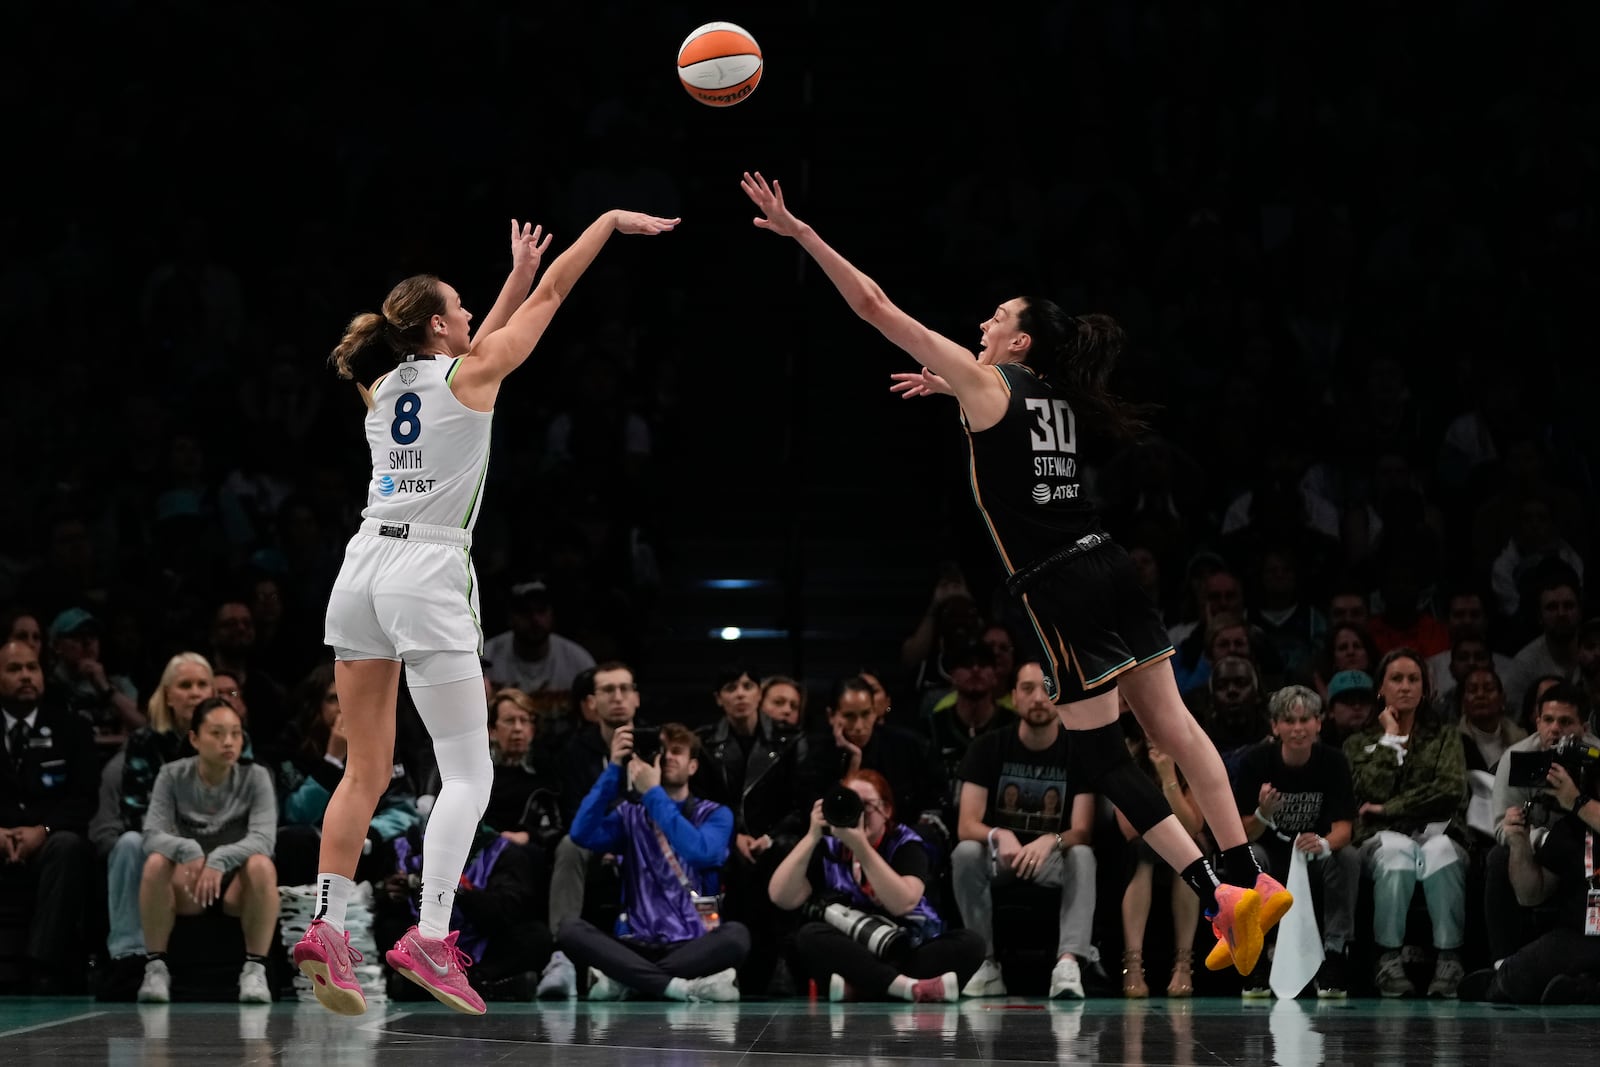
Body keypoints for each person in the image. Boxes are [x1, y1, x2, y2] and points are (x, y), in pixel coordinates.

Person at [741, 171, 1282, 974]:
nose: (985, 322)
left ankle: (1219, 892)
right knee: (1175, 727)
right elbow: (1005, 432)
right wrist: (952, 392)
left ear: (1020, 341)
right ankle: (1245, 875)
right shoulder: (1052, 392)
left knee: (1101, 760)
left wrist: (803, 234)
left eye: (998, 318)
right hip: (1110, 563)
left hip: (1060, 585)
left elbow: (875, 307)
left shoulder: (986, 378)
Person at [293, 208, 680, 1018]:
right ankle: (431, 934)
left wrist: (509, 278)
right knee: (470, 772)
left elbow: (485, 336)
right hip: (426, 571)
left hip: (361, 566)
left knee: (364, 770)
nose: (476, 317)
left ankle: (327, 923)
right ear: (438, 324)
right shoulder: (472, 376)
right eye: (463, 308)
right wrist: (604, 224)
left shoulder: (386, 384)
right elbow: (558, 293)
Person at [559, 722, 748, 1002]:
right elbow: (581, 834)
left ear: (693, 766)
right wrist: (613, 768)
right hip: (635, 942)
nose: (667, 757)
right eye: (662, 751)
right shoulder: (630, 814)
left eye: (676, 752)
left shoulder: (716, 814)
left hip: (692, 943)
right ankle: (674, 987)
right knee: (569, 930)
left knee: (737, 936)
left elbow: (701, 853)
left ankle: (629, 980)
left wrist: (652, 793)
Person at [769, 769, 984, 1002]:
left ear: (887, 810)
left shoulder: (906, 843)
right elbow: (781, 897)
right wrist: (811, 836)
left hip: (906, 946)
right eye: (851, 804)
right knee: (809, 936)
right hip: (852, 950)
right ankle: (906, 988)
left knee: (971, 944)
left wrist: (861, 847)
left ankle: (865, 988)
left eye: (866, 806)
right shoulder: (829, 846)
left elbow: (904, 903)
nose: (858, 814)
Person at [137, 698, 278, 1004]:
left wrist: (220, 858)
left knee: (262, 865)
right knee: (155, 863)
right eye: (217, 733)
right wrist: (188, 849)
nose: (228, 741)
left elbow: (264, 839)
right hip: (189, 882)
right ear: (194, 738)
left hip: (235, 888)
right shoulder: (172, 775)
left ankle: (255, 969)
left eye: (236, 733)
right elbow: (150, 835)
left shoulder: (256, 777)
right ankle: (156, 967)